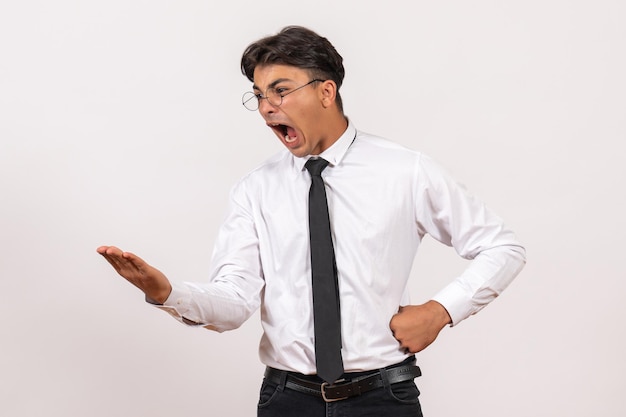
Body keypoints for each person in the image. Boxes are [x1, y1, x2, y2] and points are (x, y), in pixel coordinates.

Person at [97, 25, 526, 417]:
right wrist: (167, 293)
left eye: (279, 91)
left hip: (384, 398)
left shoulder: (406, 171)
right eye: (259, 95)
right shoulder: (255, 190)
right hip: (287, 400)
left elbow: (502, 247)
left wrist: (440, 311)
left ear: (326, 91)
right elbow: (234, 301)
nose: (266, 108)